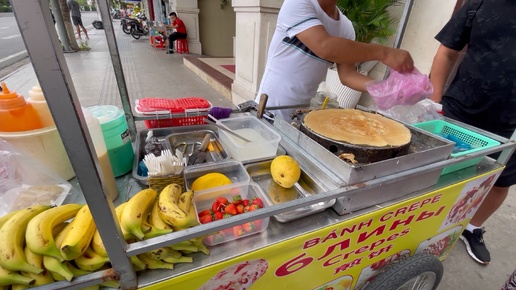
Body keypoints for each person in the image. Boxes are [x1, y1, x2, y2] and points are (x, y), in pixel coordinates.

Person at [429, 0, 516, 265]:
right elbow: (446, 53)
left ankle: (471, 227)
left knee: (501, 183)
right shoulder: (481, 3)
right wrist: (433, 103)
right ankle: (426, 228)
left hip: (511, 127)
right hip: (460, 110)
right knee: (438, 174)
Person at [254, 0, 414, 120]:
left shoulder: (346, 27)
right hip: (268, 108)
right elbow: (325, 47)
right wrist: (383, 53)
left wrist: (383, 87)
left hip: (298, 112)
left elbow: (348, 75)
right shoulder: (298, 3)